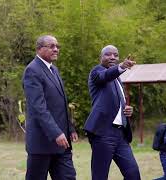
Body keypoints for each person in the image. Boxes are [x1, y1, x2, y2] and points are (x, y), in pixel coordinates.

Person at [22, 35, 78, 180]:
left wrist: (69, 128)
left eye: (57, 46)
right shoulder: (32, 71)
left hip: (62, 143)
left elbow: (60, 104)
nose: (56, 49)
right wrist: (55, 133)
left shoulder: (54, 70)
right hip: (42, 144)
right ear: (39, 49)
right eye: (51, 46)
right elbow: (39, 108)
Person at [84, 45, 141, 180]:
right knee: (100, 176)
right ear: (101, 57)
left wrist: (126, 110)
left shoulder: (118, 79)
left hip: (121, 135)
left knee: (133, 174)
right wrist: (121, 67)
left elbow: (114, 102)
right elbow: (105, 76)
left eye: (115, 55)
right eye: (108, 54)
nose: (112, 57)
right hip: (103, 134)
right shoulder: (97, 72)